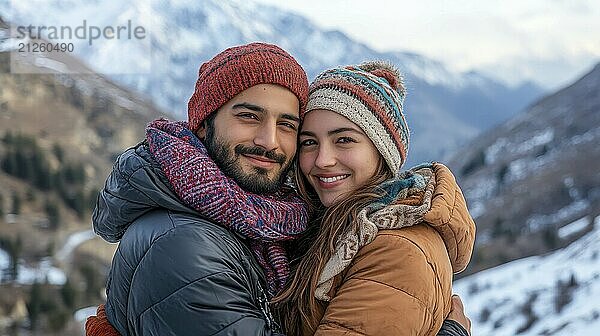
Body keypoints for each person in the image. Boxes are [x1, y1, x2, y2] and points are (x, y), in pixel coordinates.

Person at [85, 43, 472, 336]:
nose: (270, 141)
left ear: (383, 154)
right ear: (203, 124)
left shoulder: (373, 242)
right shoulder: (190, 244)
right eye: (249, 116)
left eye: (287, 125)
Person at [274, 62, 476, 335]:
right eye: (309, 142)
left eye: (344, 140)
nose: (323, 160)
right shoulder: (333, 226)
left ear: (382, 152)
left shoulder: (394, 249)